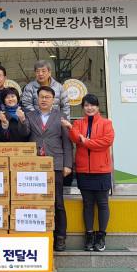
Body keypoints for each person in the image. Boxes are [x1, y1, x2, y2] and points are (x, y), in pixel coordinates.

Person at [62, 94, 114, 252]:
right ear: (83, 107)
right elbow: (75, 138)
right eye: (86, 105)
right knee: (87, 204)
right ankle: (89, 235)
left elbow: (106, 142)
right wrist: (71, 128)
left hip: (102, 169)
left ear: (98, 107)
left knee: (103, 203)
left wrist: (86, 141)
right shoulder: (78, 123)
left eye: (92, 105)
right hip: (84, 169)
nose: (89, 108)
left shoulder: (106, 123)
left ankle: (101, 236)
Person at [25, 85, 73, 252]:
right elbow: (23, 135)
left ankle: (60, 237)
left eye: (47, 97)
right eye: (41, 97)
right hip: (34, 165)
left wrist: (67, 164)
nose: (44, 100)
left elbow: (67, 142)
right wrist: (21, 121)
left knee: (58, 202)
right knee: (35, 202)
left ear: (53, 100)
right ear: (37, 99)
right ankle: (38, 236)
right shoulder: (29, 116)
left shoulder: (61, 116)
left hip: (55, 164)